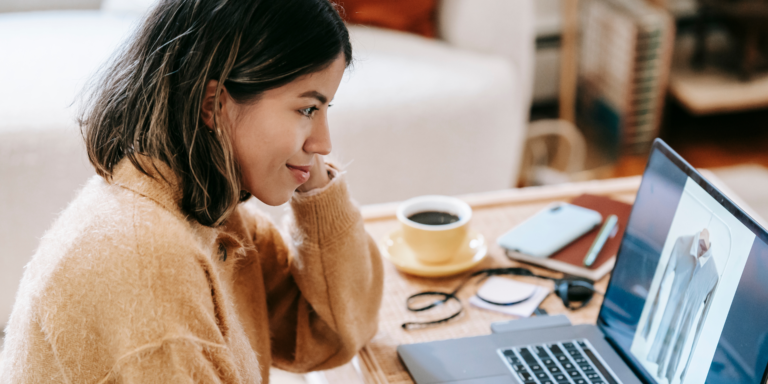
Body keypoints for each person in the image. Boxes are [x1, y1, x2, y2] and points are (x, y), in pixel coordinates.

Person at [0, 0, 384, 382]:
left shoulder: (213, 215)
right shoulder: (146, 262)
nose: (325, 143)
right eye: (307, 109)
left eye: (325, 108)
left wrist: (312, 180)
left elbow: (333, 333)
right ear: (213, 104)